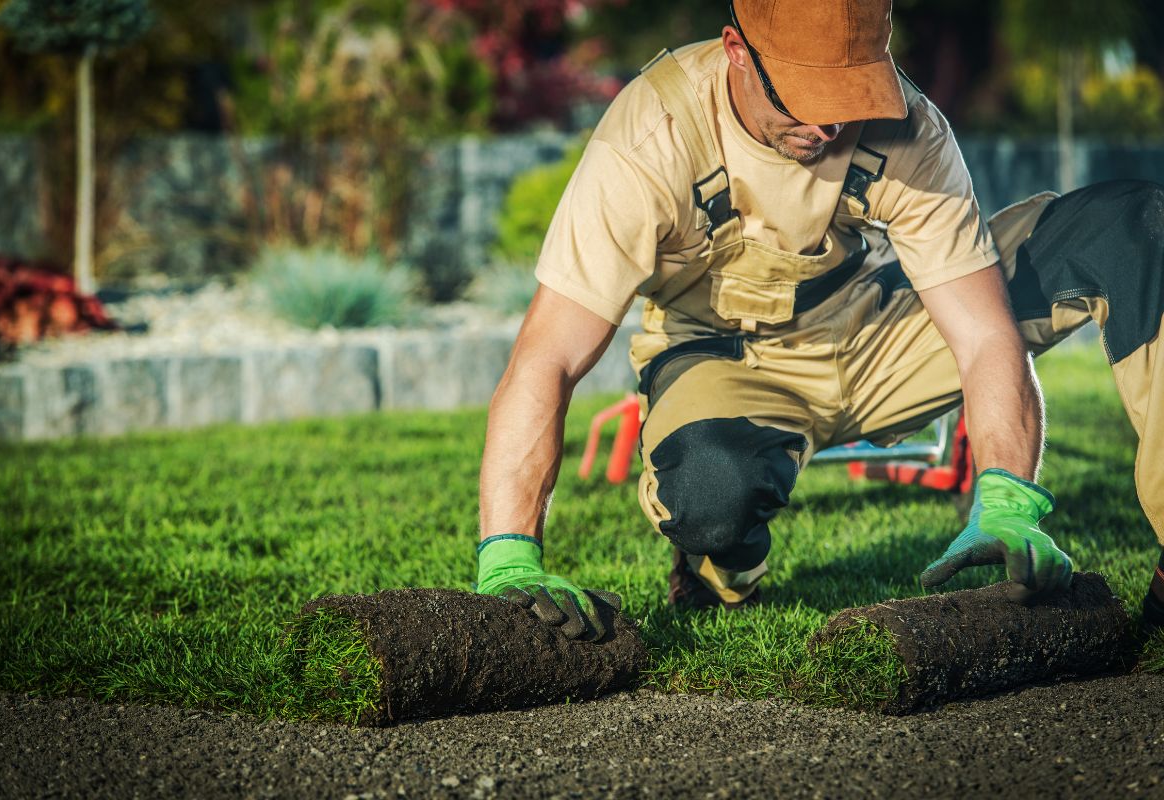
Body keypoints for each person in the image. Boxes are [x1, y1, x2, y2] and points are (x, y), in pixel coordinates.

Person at [472, 0, 1164, 640]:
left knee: (1130, 226)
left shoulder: (911, 129)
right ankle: (720, 567)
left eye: (849, 97)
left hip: (875, 330)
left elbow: (983, 334)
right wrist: (509, 554)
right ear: (736, 50)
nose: (828, 127)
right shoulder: (653, 135)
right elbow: (548, 357)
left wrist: (1008, 498)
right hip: (725, 358)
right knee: (712, 493)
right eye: (806, 98)